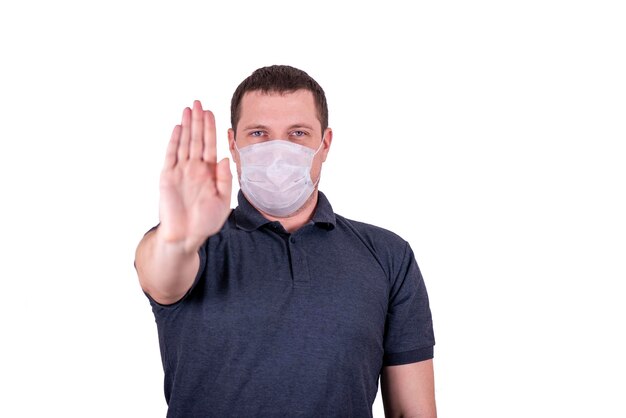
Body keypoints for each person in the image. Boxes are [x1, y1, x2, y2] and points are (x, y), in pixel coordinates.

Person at [134, 65, 436, 417]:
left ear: (325, 144)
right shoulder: (192, 244)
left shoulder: (388, 255)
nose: (278, 151)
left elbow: (411, 411)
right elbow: (162, 277)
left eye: (298, 133)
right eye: (259, 133)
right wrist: (177, 237)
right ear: (233, 144)